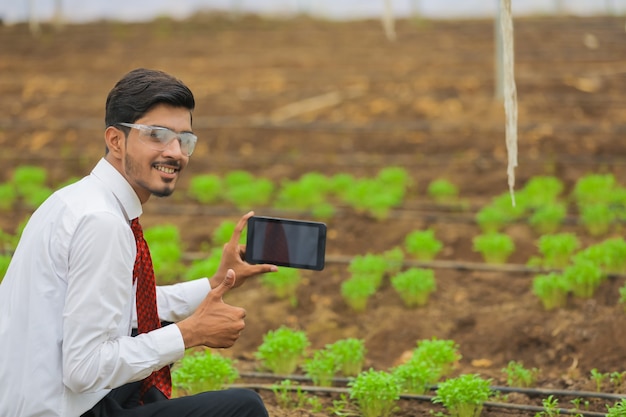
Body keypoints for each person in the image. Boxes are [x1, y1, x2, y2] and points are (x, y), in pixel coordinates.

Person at [0, 68, 277, 417]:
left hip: (28, 394)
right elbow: (83, 368)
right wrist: (190, 333)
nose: (175, 152)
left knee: (152, 330)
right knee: (244, 408)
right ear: (116, 140)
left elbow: (126, 304)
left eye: (184, 140)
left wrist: (215, 283)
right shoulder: (103, 224)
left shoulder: (77, 199)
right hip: (57, 407)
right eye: (157, 136)